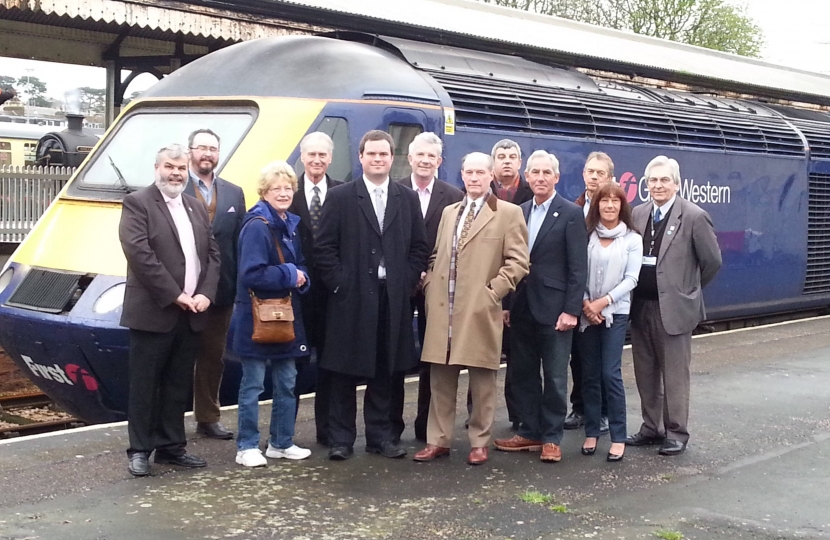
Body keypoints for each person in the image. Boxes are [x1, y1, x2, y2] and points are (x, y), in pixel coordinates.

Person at [315, 130, 429, 461]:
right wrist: (340, 284)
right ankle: (341, 439)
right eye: (372, 154)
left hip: (391, 298)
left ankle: (382, 436)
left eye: (383, 154)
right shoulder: (341, 197)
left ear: (392, 159)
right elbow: (323, 247)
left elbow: (419, 247)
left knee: (386, 369)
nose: (377, 159)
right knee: (343, 371)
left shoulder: (405, 199)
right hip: (350, 298)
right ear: (361, 157)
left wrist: (405, 283)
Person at [414, 152, 529, 466]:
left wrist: (493, 292)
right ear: (462, 175)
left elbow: (519, 262)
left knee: (482, 380)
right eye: (469, 173)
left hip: (480, 308)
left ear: (490, 175)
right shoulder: (450, 211)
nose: (474, 178)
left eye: (480, 172)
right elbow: (437, 253)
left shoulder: (508, 212)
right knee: (440, 377)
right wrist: (430, 285)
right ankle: (438, 440)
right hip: (443, 308)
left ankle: (479, 442)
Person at [118, 143, 220, 477]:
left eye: (180, 167)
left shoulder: (194, 206)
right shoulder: (137, 203)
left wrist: (205, 293)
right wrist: (176, 294)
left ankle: (172, 447)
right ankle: (140, 450)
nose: (175, 173)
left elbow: (213, 256)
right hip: (154, 311)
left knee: (178, 383)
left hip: (191, 312)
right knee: (145, 384)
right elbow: (139, 254)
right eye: (169, 166)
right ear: (156, 167)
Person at [494, 150, 587, 463]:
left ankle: (551, 438)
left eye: (547, 173)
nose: (540, 178)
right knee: (523, 374)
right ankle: (529, 432)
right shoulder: (517, 211)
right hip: (521, 308)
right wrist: (507, 303)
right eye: (535, 173)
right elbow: (509, 261)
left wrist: (572, 310)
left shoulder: (571, 214)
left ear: (556, 178)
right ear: (528, 177)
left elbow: (578, 268)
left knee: (556, 377)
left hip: (555, 310)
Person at [627, 156, 722, 456]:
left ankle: (676, 431)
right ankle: (651, 427)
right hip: (640, 305)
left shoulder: (694, 216)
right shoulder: (638, 214)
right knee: (645, 371)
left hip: (674, 309)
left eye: (664, 180)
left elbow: (712, 262)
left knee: (675, 374)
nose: (658, 185)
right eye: (652, 180)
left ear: (677, 184)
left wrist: (686, 291)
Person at [228, 161, 312, 467]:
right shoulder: (257, 226)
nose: (284, 192)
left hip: (283, 317)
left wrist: (301, 276)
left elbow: (300, 263)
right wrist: (291, 275)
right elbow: (251, 273)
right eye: (277, 188)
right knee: (253, 383)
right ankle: (247, 446)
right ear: (264, 192)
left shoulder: (289, 223)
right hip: (256, 318)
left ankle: (281, 442)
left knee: (287, 380)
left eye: (288, 187)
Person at [392, 132, 463, 443]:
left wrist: (430, 274)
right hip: (398, 283)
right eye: (419, 155)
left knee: (433, 356)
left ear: (439, 162)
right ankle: (391, 425)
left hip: (437, 286)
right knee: (394, 351)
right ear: (409, 159)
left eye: (431, 156)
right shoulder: (394, 192)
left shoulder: (454, 196)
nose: (424, 160)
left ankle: (426, 425)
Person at [184, 128, 246, 441]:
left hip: (221, 291)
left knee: (212, 357)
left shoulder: (234, 193)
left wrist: (238, 285)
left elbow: (239, 242)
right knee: (176, 357)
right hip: (181, 290)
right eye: (201, 148)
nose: (207, 154)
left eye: (213, 149)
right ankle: (165, 421)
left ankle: (208, 417)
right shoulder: (174, 188)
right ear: (189, 151)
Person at [579, 182, 642, 462]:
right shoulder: (586, 234)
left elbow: (631, 279)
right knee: (589, 375)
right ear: (597, 204)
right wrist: (586, 304)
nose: (609, 205)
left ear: (622, 205)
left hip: (615, 313)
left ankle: (618, 436)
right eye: (604, 200)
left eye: (615, 201)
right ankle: (592, 431)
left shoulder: (631, 239)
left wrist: (602, 303)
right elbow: (576, 270)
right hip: (586, 314)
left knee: (609, 374)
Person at [288, 131, 342, 447]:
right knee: (291, 367)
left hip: (333, 296)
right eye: (311, 155)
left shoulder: (342, 193)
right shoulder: (288, 192)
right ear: (302, 156)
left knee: (330, 367)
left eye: (323, 155)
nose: (317, 160)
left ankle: (328, 432)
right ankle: (284, 434)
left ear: (330, 158)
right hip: (297, 297)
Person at [566, 152, 616, 433]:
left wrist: (600, 302)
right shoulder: (574, 207)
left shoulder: (615, 210)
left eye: (600, 173)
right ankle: (580, 408)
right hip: (578, 295)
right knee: (579, 358)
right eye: (590, 171)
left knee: (604, 363)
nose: (594, 177)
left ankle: (605, 412)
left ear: (610, 178)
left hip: (605, 300)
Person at [489, 138, 532, 429]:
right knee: (481, 355)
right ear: (493, 163)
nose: (506, 160)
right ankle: (477, 413)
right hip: (489, 290)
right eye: (501, 156)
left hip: (523, 292)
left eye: (512, 155)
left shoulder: (532, 194)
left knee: (520, 360)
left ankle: (519, 414)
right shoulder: (479, 193)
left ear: (520, 163)